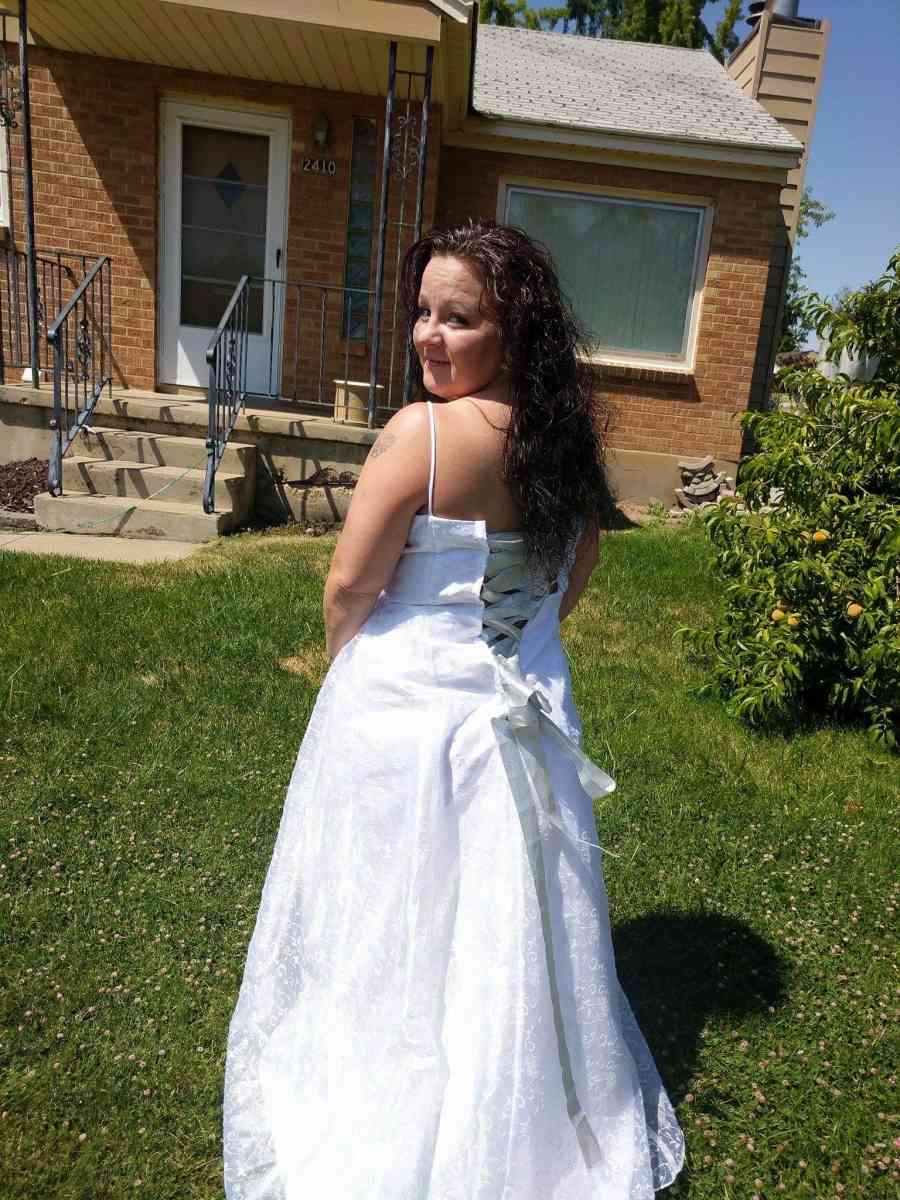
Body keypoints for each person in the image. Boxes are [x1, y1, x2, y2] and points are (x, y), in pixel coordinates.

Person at [222, 219, 685, 1199]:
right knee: (505, 916)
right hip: (524, 710)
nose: (430, 337)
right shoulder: (559, 436)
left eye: (459, 319)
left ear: (511, 331)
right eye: (423, 313)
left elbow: (351, 583)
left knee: (396, 904)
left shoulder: (421, 435)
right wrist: (526, 640)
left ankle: (395, 1095)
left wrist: (356, 671)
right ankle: (515, 1108)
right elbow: (584, 560)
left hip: (412, 713)